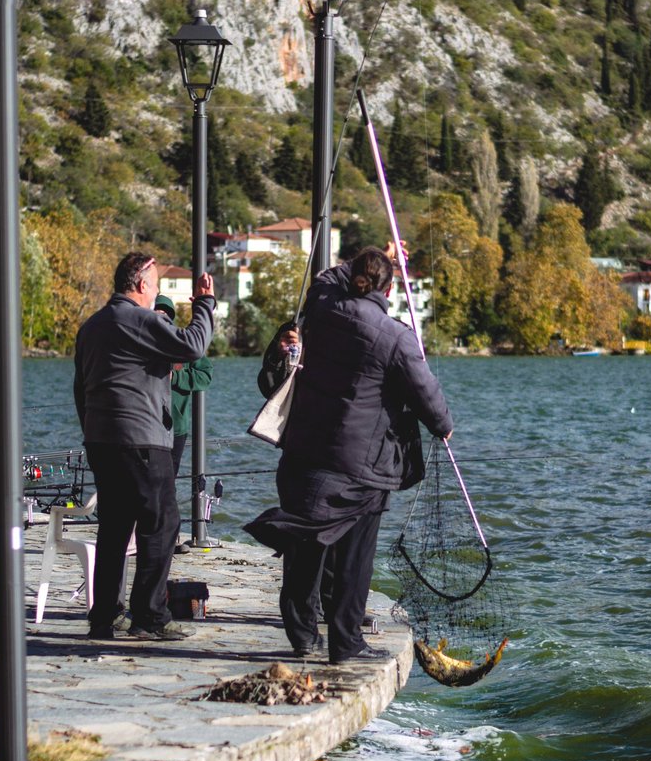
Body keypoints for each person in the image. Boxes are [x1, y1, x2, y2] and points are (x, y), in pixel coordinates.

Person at [245, 247, 453, 664]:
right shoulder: (395, 335)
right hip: (361, 467)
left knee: (308, 544)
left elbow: (326, 277)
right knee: (355, 559)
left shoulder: (322, 308)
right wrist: (444, 426)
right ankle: (345, 641)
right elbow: (428, 396)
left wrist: (370, 259)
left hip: (304, 450)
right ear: (390, 289)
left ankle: (303, 635)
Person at [74, 252, 216, 641]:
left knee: (115, 527)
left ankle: (104, 615)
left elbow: (79, 388)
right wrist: (204, 304)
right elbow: (192, 347)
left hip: (102, 440)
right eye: (155, 284)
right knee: (162, 523)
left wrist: (92, 429)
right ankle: (149, 614)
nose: (156, 291)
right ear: (140, 285)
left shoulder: (92, 325)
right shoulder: (140, 318)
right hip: (142, 440)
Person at [154, 293, 214, 555]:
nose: (160, 317)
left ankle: (170, 537)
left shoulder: (183, 342)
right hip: (145, 428)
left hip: (175, 428)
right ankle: (146, 535)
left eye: (164, 314)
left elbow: (204, 375)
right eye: (155, 312)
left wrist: (176, 376)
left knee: (168, 484)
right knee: (147, 486)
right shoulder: (141, 338)